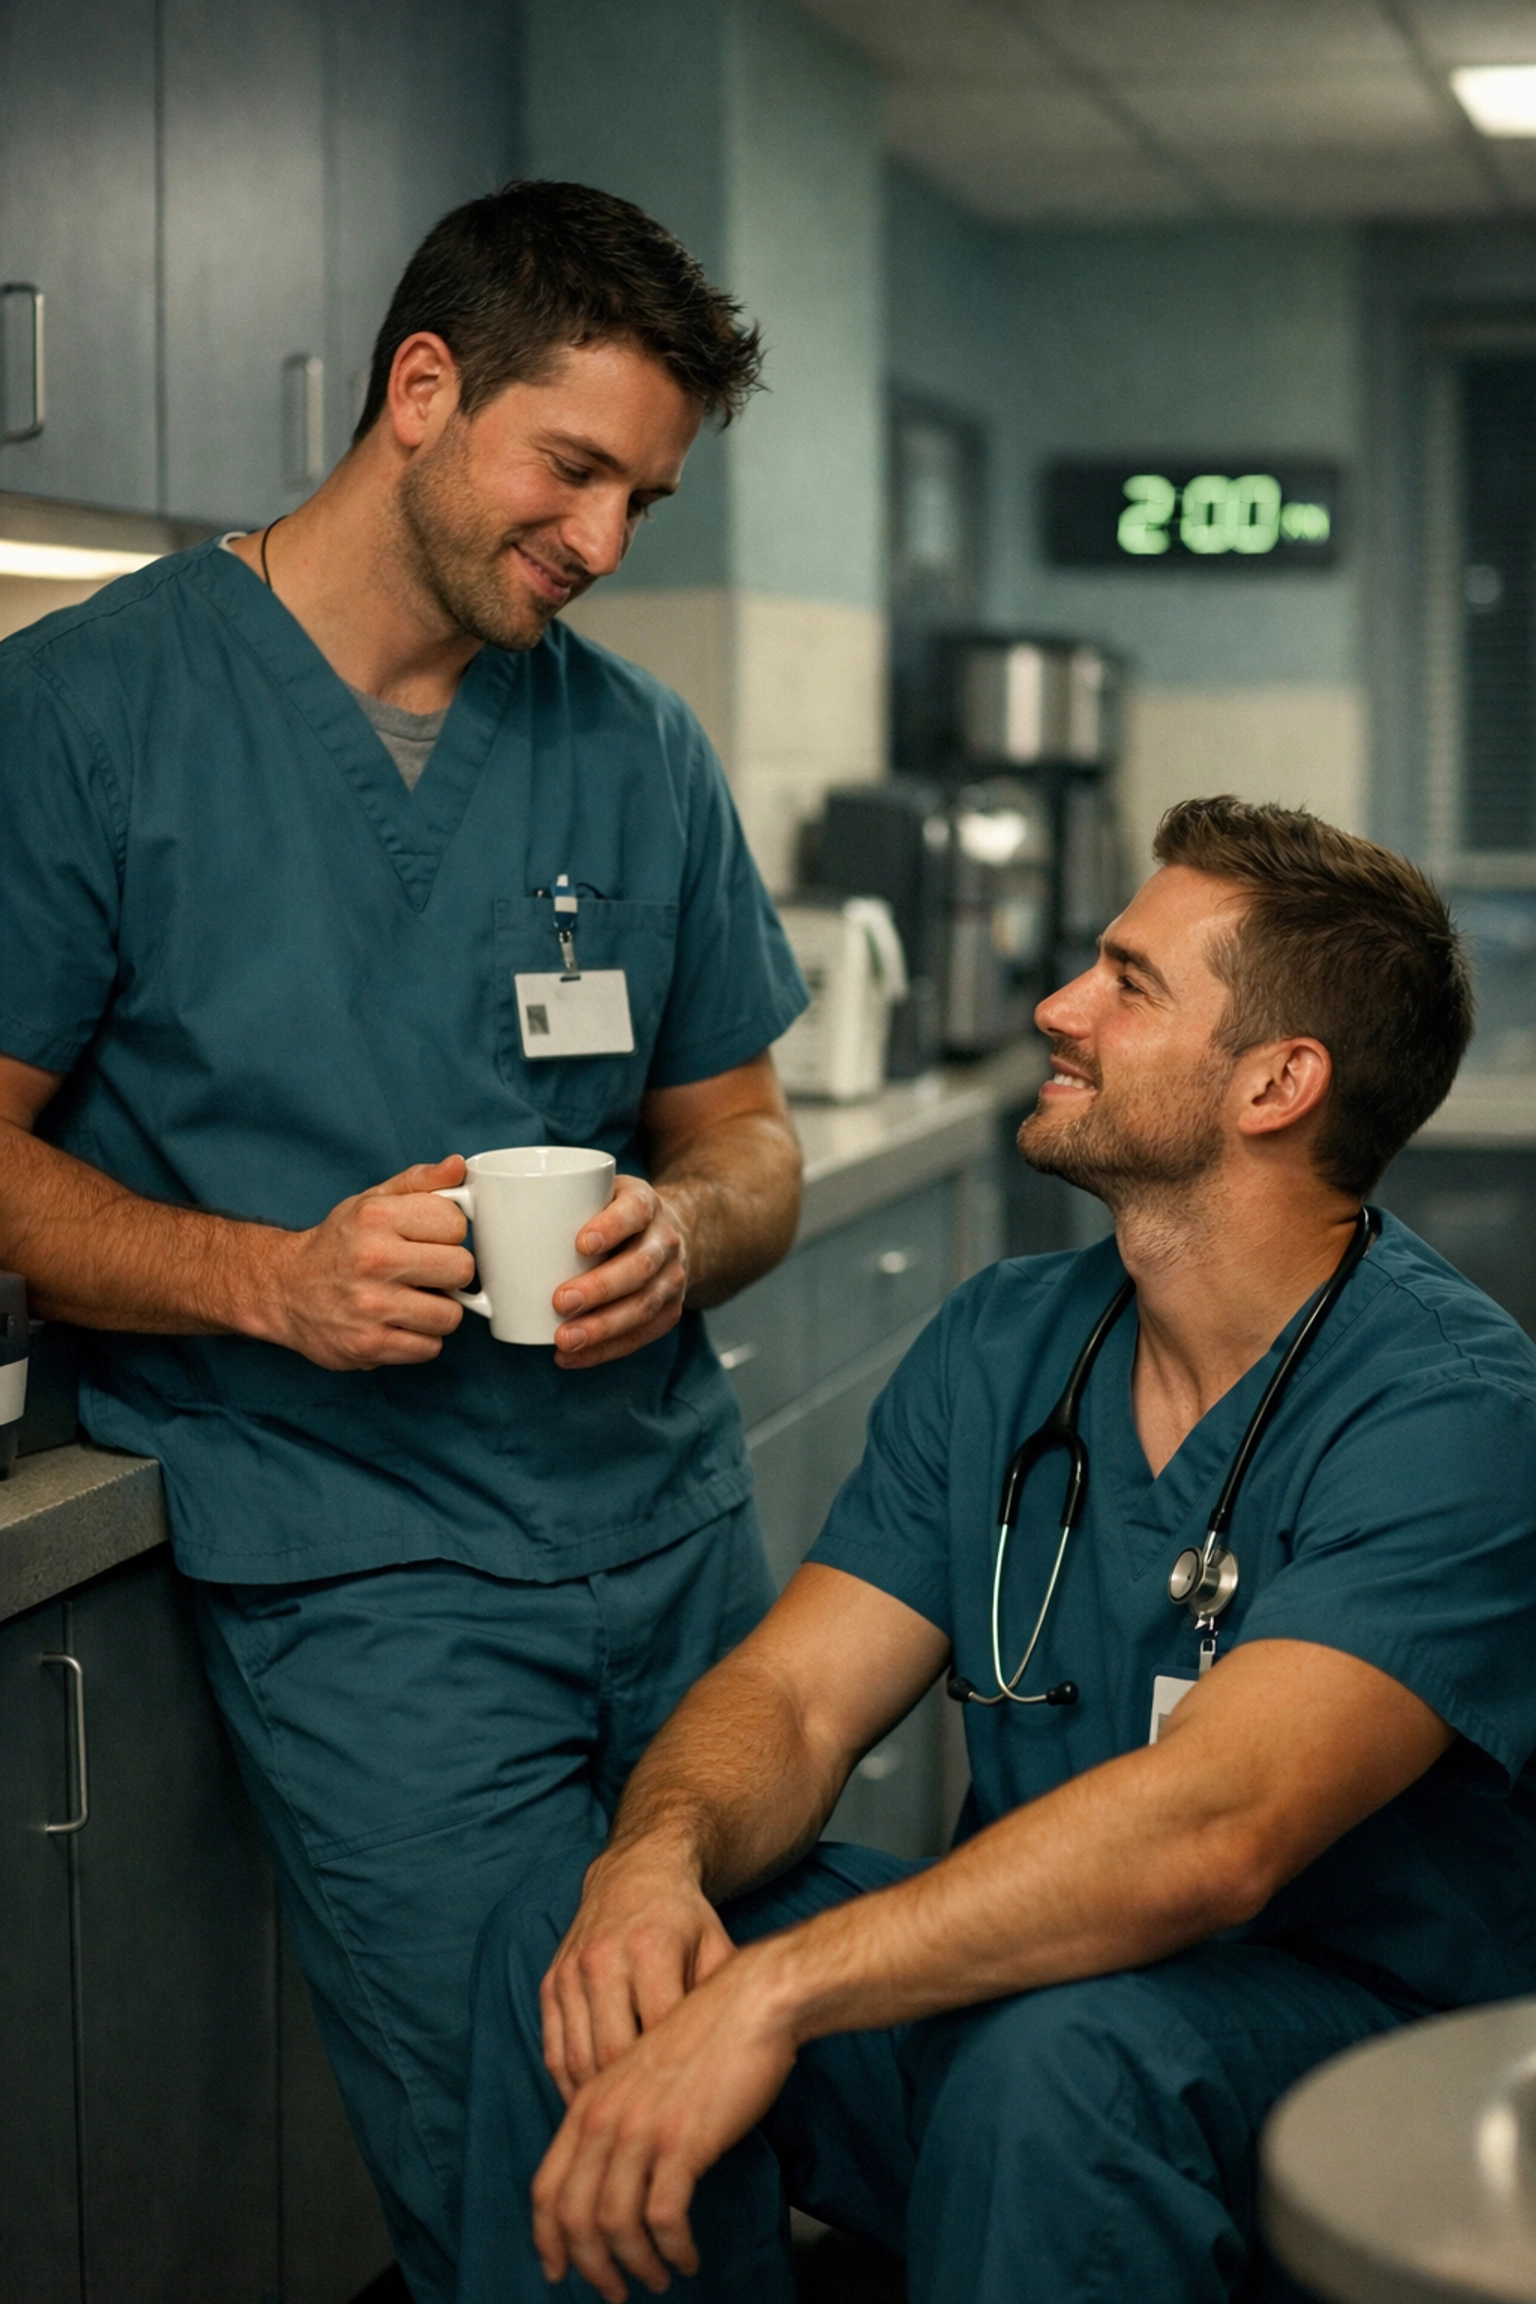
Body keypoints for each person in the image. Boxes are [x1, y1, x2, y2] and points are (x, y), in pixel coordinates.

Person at [0, 182, 808, 2302]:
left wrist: (687, 1233)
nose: (607, 540)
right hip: (375, 1582)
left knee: (741, 2099)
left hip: (675, 1552)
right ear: (421, 391)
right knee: (577, 2182)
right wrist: (264, 1280)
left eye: (646, 493)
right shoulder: (89, 714)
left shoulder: (634, 751)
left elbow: (751, 1142)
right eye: (577, 468)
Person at [457, 798, 1536, 2304]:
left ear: (1279, 1083)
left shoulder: (1452, 1416)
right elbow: (798, 1700)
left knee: (1061, 2063)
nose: (1056, 1007)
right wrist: (656, 1861)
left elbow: (1218, 1833)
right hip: (1038, 2002)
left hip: (1344, 2066)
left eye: (1129, 981)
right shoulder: (1004, 1343)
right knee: (577, 1948)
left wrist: (775, 1991)